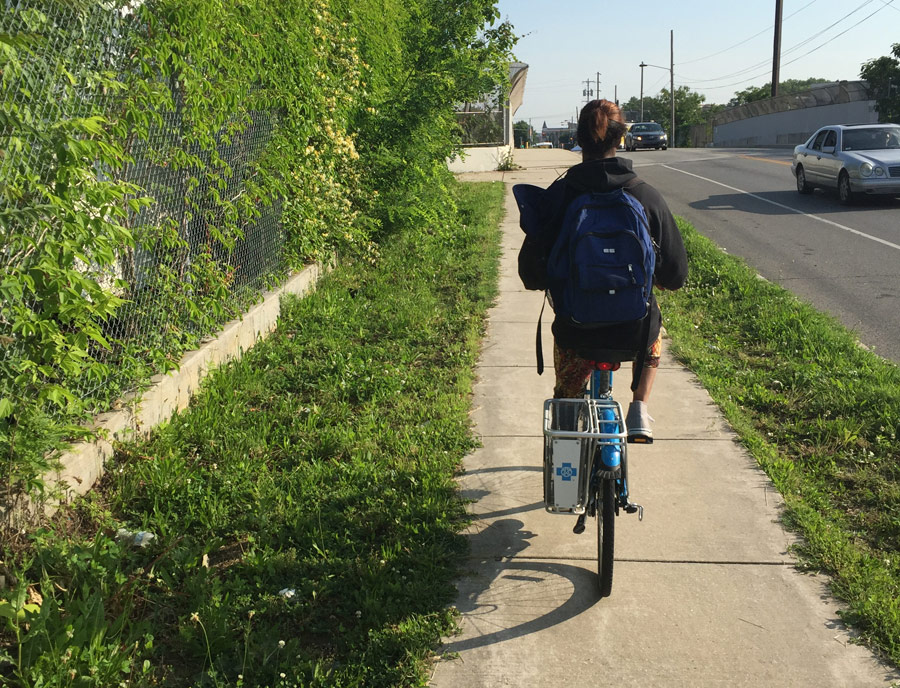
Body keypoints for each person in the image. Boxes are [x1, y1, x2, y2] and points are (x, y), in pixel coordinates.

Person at [519, 99, 688, 442]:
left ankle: (566, 437)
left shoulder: (559, 196)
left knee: (566, 399)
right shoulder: (645, 195)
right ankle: (639, 405)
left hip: (576, 333)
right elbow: (675, 275)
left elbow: (529, 275)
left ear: (579, 140)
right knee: (654, 331)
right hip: (635, 333)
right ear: (621, 138)